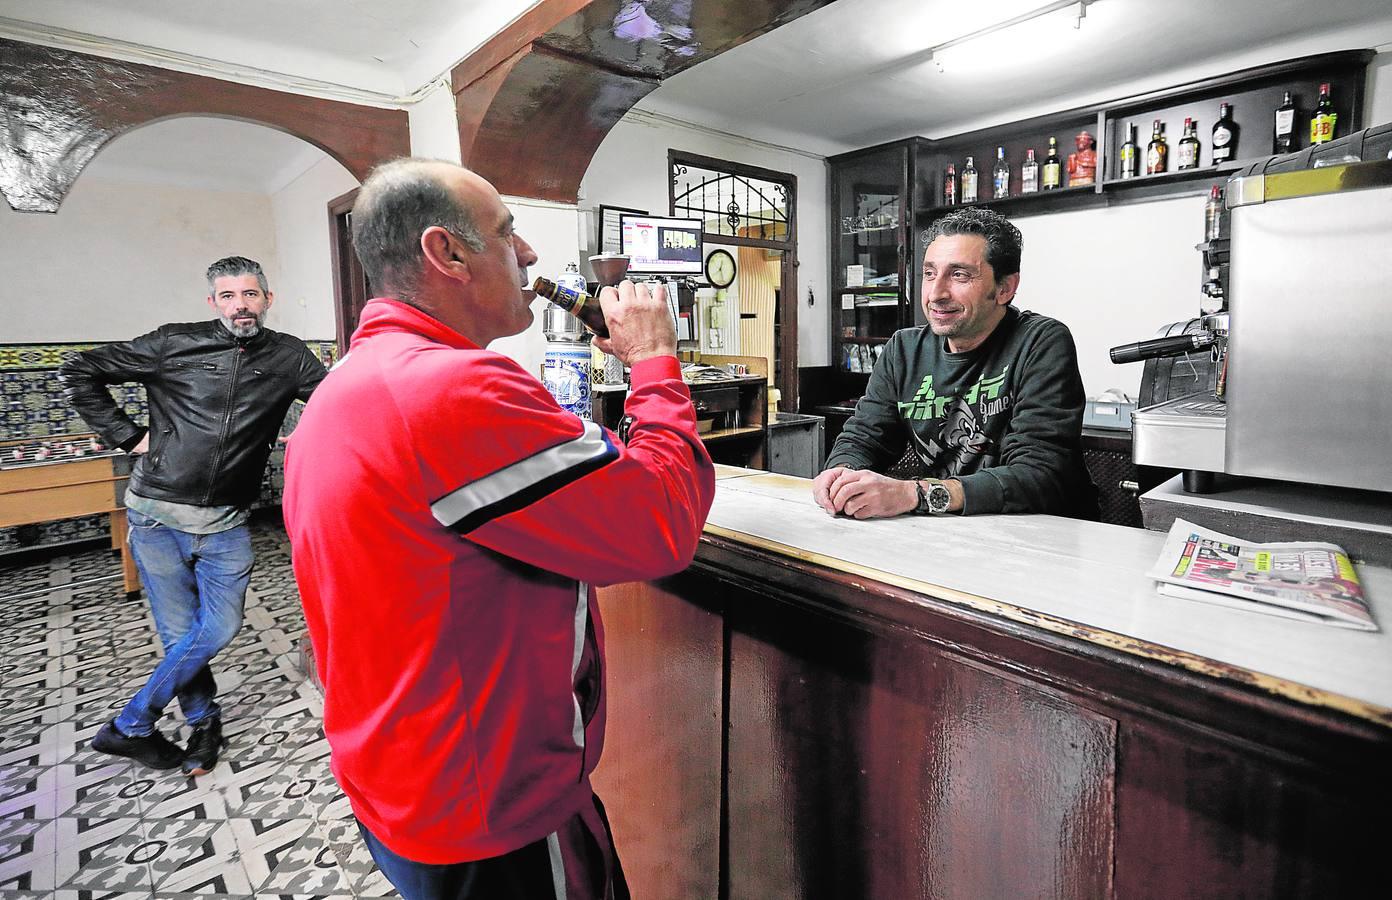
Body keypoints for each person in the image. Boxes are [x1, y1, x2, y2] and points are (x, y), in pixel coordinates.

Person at [281, 158, 715, 900]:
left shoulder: (352, 382)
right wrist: (654, 362)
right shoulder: (451, 389)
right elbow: (661, 526)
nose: (530, 255)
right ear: (445, 253)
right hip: (487, 799)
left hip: (399, 775)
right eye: (508, 232)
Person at [60, 256, 327, 773]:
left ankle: (131, 724)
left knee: (219, 628)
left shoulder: (290, 357)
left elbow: (336, 398)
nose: (240, 306)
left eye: (250, 295)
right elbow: (81, 369)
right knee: (182, 633)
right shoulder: (172, 343)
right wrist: (127, 435)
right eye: (228, 296)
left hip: (225, 520)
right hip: (155, 517)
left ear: (267, 299)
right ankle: (205, 724)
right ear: (212, 303)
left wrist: (312, 429)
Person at [813, 207, 1098, 520]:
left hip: (1045, 538)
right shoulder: (904, 349)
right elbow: (864, 437)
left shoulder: (1040, 342)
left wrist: (915, 494)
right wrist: (842, 475)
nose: (936, 294)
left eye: (959, 275)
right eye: (930, 273)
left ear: (1005, 288)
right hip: (954, 535)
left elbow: (1038, 475)